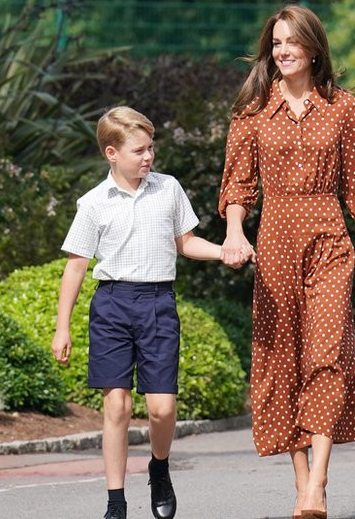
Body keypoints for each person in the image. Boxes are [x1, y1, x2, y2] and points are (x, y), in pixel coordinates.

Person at [217, 4, 355, 519]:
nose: (283, 51)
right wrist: (233, 233)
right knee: (281, 363)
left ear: (314, 48)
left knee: (326, 352)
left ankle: (317, 481)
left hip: (329, 243)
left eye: (293, 42)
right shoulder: (251, 110)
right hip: (273, 245)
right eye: (276, 43)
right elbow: (238, 184)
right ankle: (302, 485)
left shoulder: (342, 108)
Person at [51, 106, 223, 519]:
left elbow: (187, 242)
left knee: (161, 408)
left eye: (151, 149)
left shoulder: (168, 189)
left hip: (158, 303)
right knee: (117, 407)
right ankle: (116, 502)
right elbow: (76, 266)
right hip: (111, 305)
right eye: (139, 150)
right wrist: (62, 328)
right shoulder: (93, 203)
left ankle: (159, 468)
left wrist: (223, 252)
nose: (148, 157)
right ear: (112, 153)